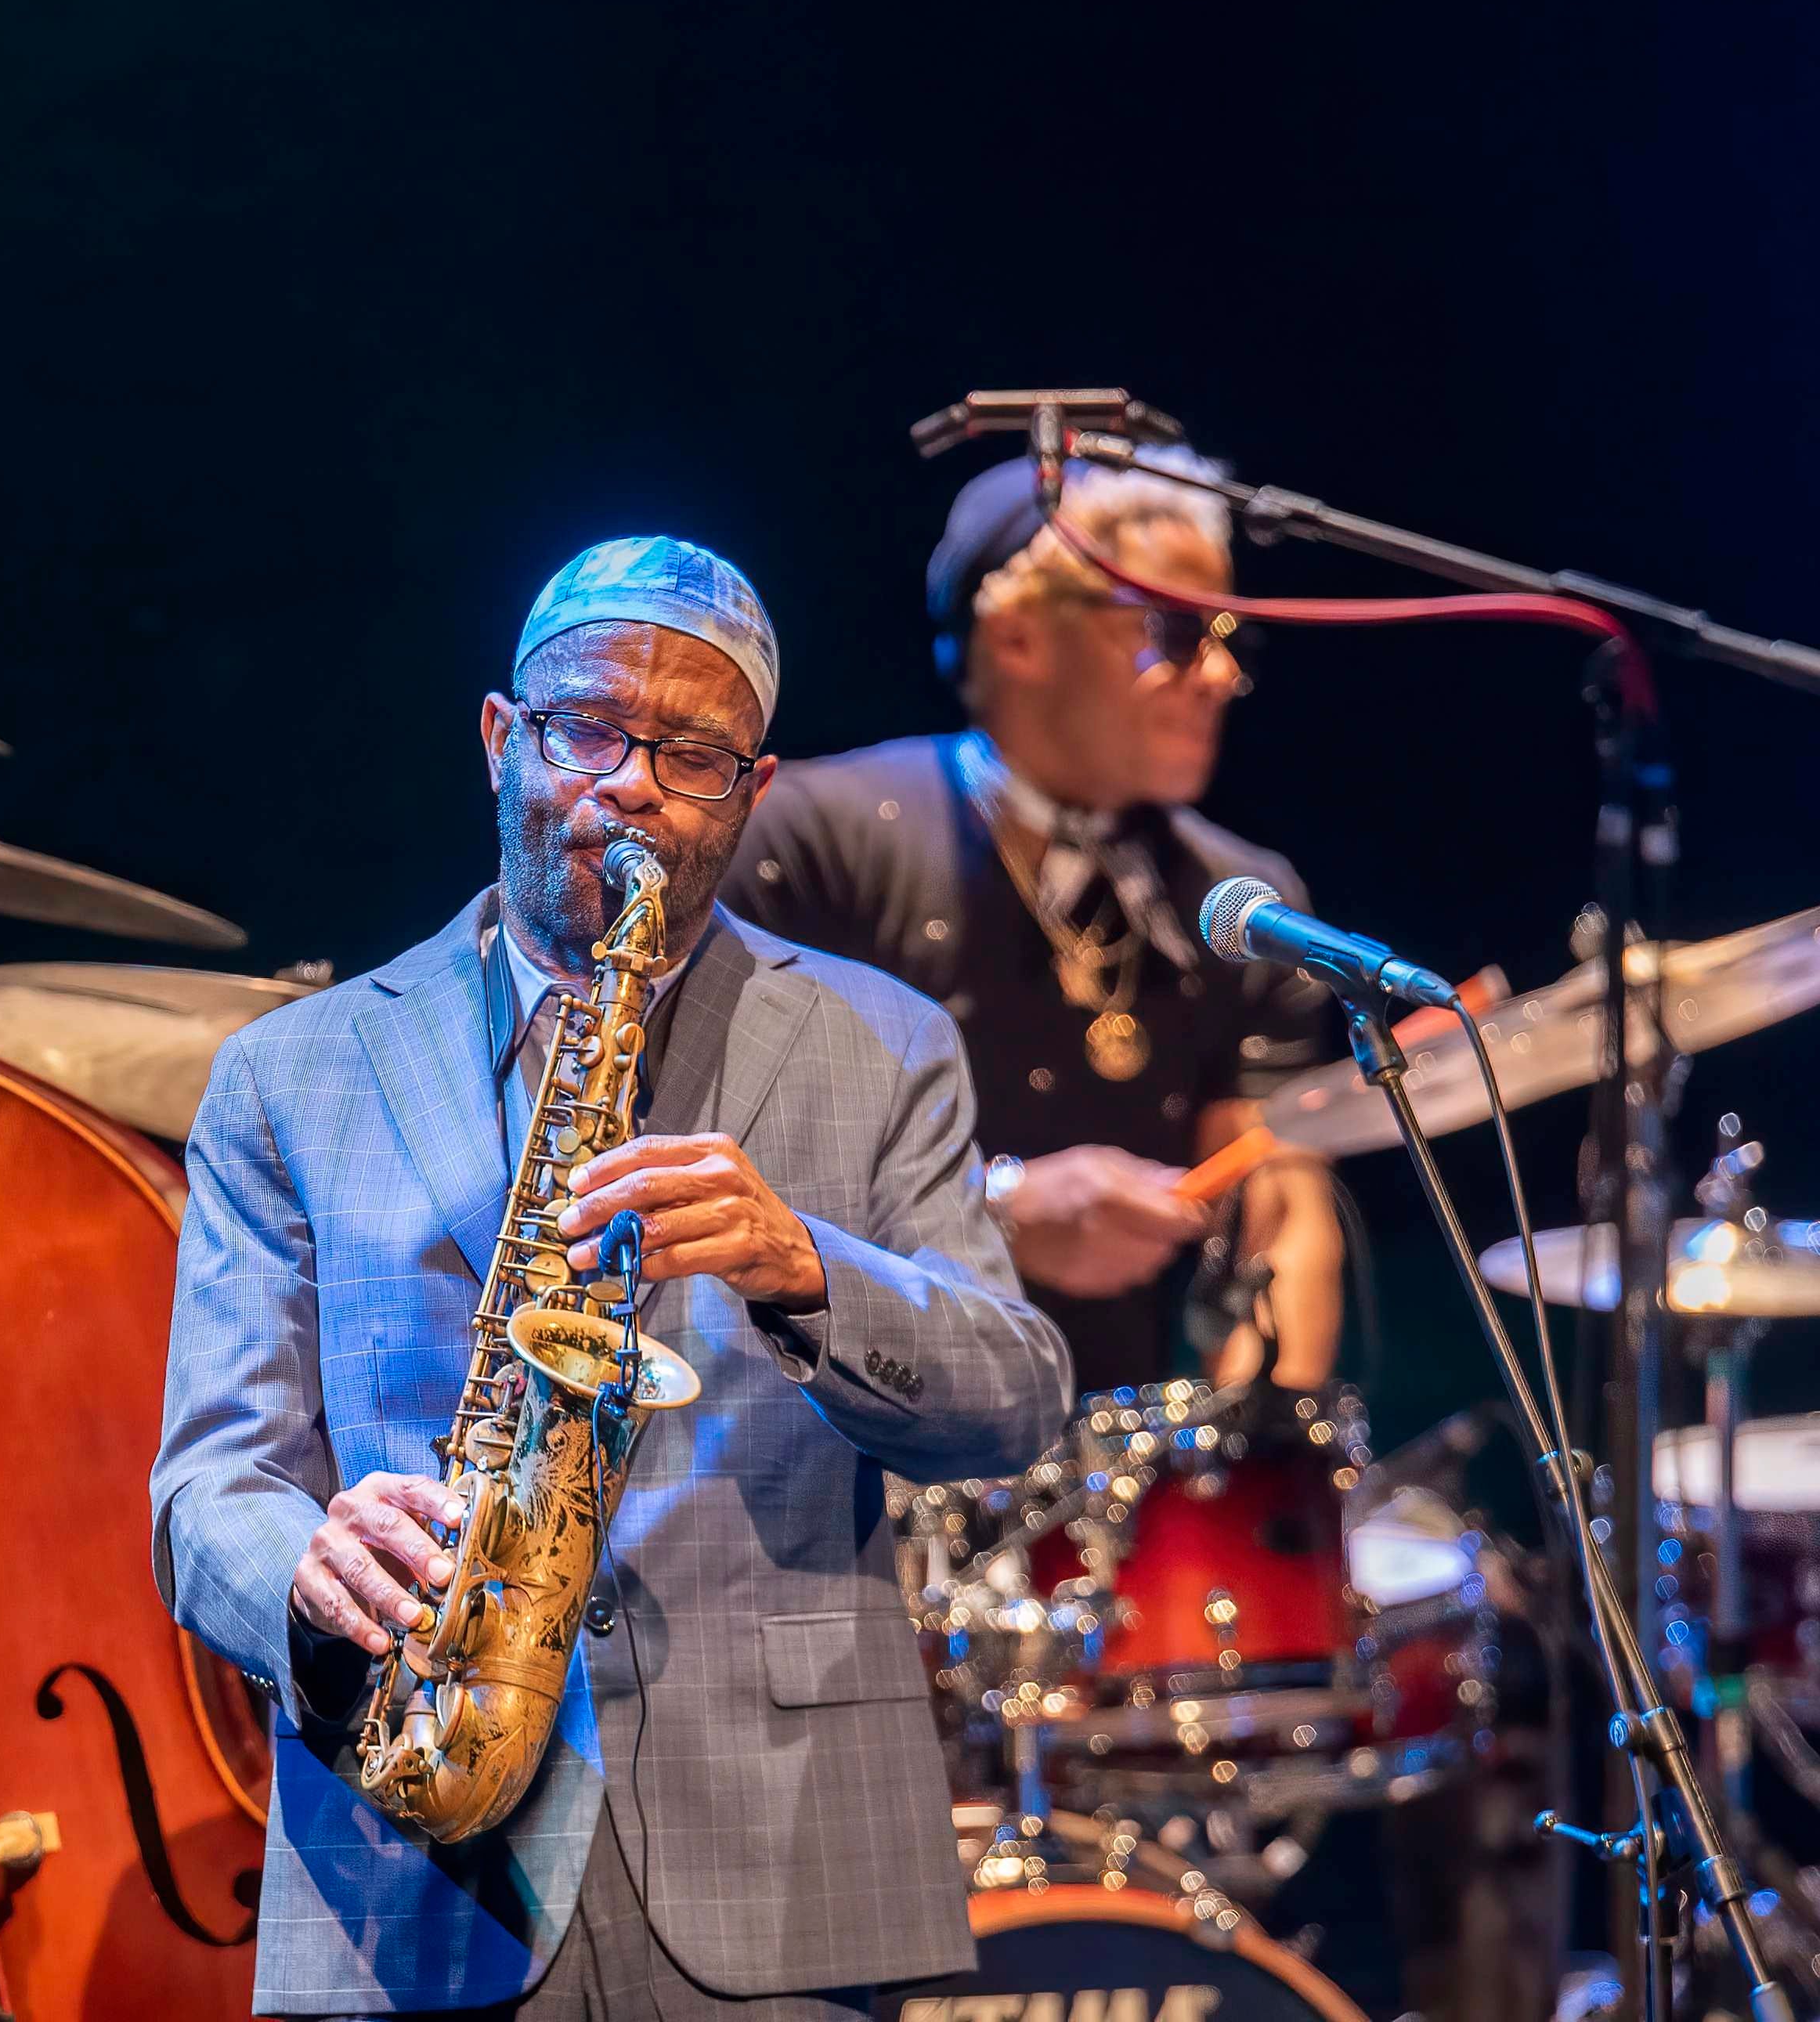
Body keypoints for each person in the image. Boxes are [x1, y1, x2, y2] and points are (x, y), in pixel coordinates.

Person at [150, 536, 1073, 2018]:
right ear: (502, 737)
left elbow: (1018, 1399)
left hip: (786, 1871)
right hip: (412, 1865)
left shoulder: (885, 1042)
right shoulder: (289, 1076)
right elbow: (208, 1488)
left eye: (691, 753)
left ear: (752, 793)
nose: (629, 782)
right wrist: (309, 1576)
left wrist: (806, 1268)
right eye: (586, 727)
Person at [721, 456, 1343, 1395]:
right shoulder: (805, 839)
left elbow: (1282, 1217)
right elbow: (705, 1164)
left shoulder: (1246, 900)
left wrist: (1250, 1474)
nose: (1218, 673)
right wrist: (995, 1209)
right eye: (1173, 631)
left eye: (1228, 635)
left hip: (1095, 1505)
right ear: (1017, 637)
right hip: (816, 1452)